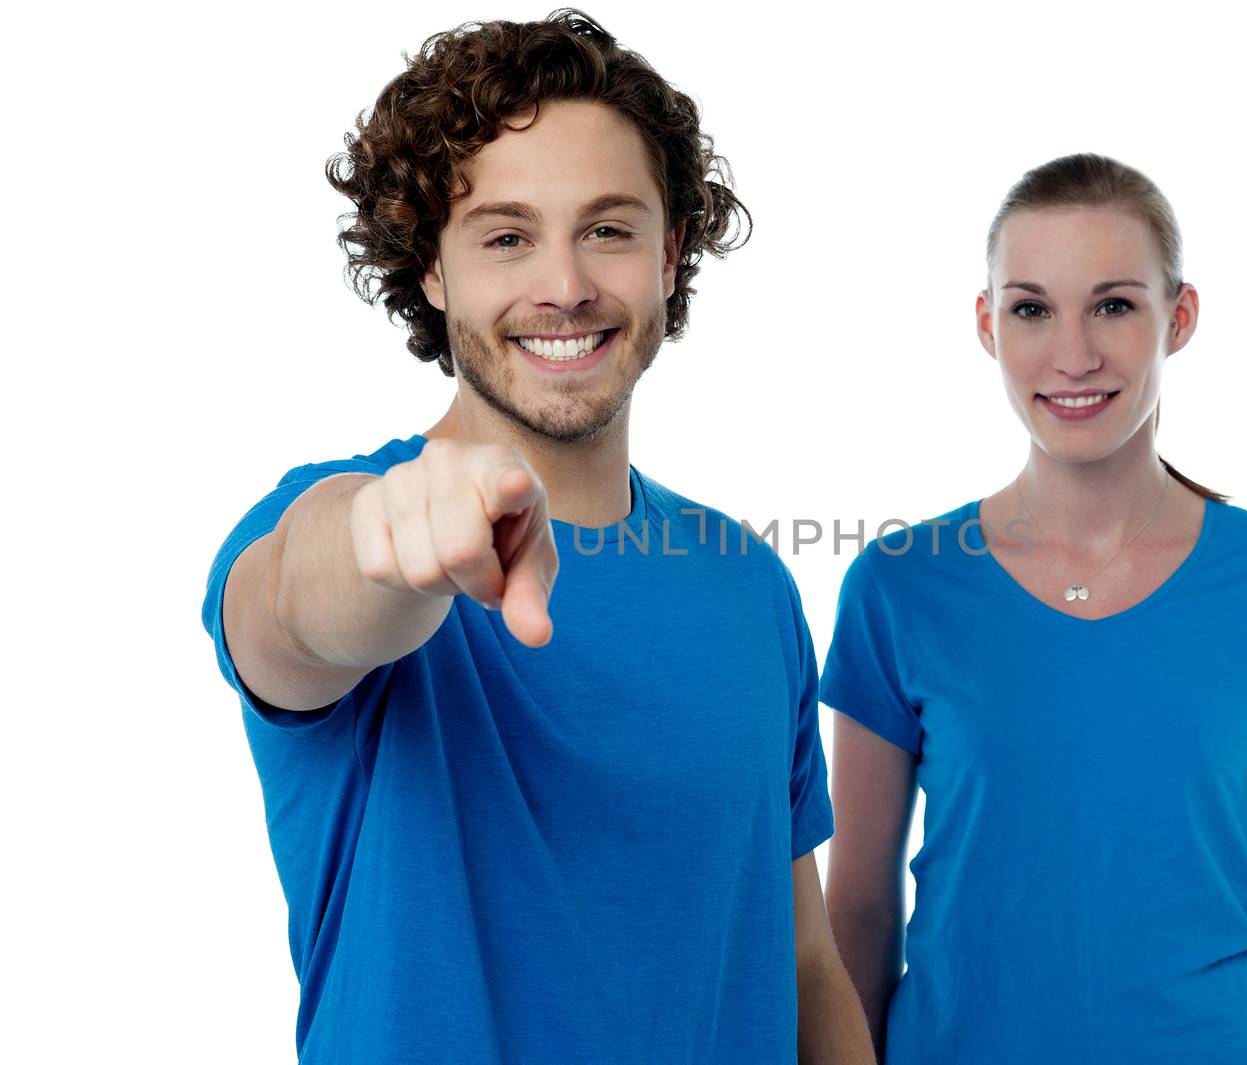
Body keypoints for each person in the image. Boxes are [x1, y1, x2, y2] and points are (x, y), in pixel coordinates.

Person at [198, 12, 873, 1064]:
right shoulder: (344, 517)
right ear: (430, 267)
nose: (564, 284)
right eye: (506, 236)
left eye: (608, 228)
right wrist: (389, 539)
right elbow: (294, 607)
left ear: (671, 255)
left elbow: (803, 962)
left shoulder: (749, 585)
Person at [819, 153, 1247, 1064]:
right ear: (988, 326)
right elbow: (860, 907)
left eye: (1114, 305)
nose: (1073, 354)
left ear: (1179, 316)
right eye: (1031, 308)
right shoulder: (899, 585)